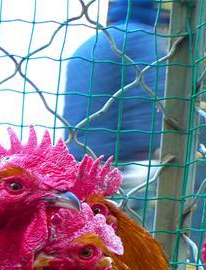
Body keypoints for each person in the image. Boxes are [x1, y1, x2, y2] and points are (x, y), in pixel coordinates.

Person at [62, 0, 167, 222]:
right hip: (127, 170)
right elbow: (151, 103)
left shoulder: (86, 46)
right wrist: (154, 152)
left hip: (81, 168)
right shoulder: (144, 40)